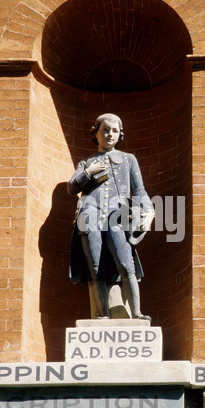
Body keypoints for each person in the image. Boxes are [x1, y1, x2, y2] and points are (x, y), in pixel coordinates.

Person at [67, 113, 154, 321]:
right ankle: (102, 314)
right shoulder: (86, 162)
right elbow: (72, 187)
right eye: (105, 130)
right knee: (95, 268)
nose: (110, 134)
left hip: (119, 215)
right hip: (90, 216)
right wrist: (89, 172)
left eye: (114, 131)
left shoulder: (128, 159)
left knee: (125, 263)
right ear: (96, 132)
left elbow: (139, 190)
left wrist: (149, 212)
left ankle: (136, 313)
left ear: (120, 134)